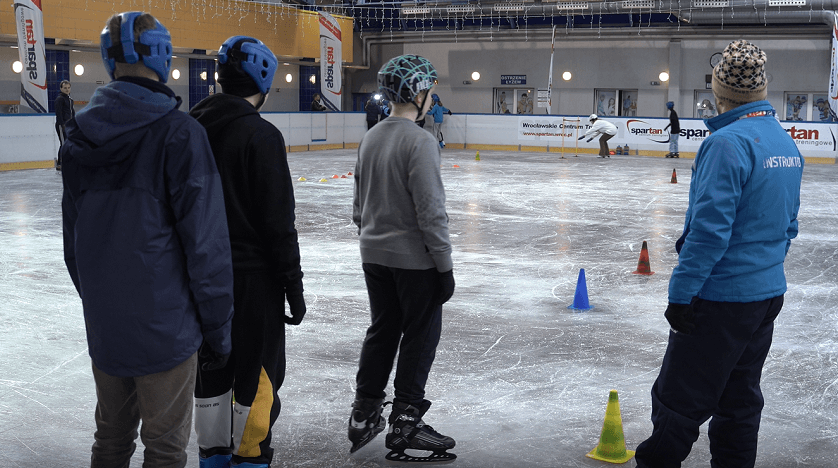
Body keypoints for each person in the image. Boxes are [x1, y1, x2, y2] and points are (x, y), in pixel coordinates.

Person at [60, 11, 234, 467]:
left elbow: (73, 246)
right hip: (167, 330)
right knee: (165, 448)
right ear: (162, 55)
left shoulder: (78, 136)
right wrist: (218, 328)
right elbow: (207, 246)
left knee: (111, 441)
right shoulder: (181, 133)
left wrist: (101, 306)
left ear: (107, 58)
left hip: (108, 327)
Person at [634, 40, 804, 468]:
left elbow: (709, 233)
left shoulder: (727, 144)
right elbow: (789, 227)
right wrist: (762, 270)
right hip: (766, 296)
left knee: (678, 400)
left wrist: (682, 292)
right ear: (763, 87)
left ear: (717, 87)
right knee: (739, 400)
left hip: (721, 298)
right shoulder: (785, 144)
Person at [188, 35, 306, 468]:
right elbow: (278, 223)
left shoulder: (189, 128)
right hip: (253, 284)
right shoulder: (262, 136)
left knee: (211, 374)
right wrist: (293, 287)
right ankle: (250, 457)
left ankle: (212, 457)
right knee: (256, 377)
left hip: (198, 280)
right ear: (265, 82)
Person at [347, 54, 456, 464]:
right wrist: (443, 267)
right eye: (429, 90)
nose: (432, 97)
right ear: (417, 92)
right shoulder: (420, 140)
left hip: (373, 256)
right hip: (414, 261)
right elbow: (430, 212)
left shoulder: (371, 136)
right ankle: (407, 420)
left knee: (383, 329)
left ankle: (365, 412)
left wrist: (376, 239)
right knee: (419, 336)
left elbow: (359, 207)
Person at [54, 80, 74, 170]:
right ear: (61, 88)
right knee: (63, 143)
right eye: (65, 88)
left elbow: (72, 112)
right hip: (61, 125)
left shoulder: (70, 100)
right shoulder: (60, 99)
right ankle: (60, 163)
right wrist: (62, 124)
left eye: (68, 88)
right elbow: (58, 113)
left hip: (69, 125)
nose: (67, 90)